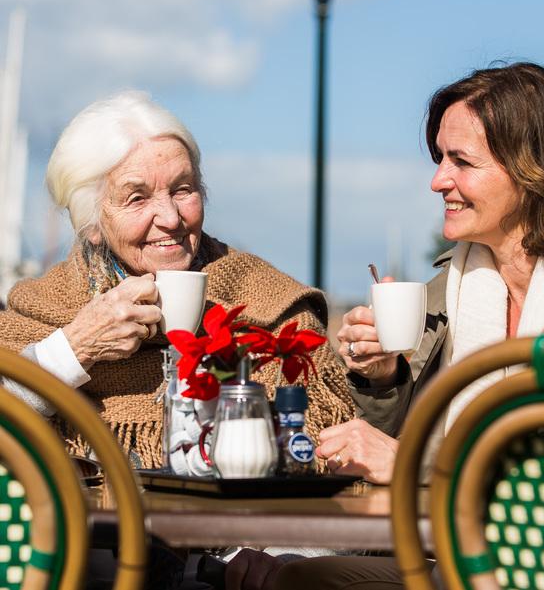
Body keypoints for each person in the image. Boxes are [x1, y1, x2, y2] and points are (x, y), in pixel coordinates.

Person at [274, 62, 544, 589]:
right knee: (300, 579)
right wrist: (382, 376)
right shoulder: (450, 287)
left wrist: (418, 465)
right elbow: (387, 443)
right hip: (448, 546)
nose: (438, 179)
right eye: (440, 158)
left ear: (534, 170)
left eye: (461, 161)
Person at [0, 91, 356, 588]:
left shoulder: (264, 297)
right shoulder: (46, 306)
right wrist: (75, 347)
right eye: (137, 197)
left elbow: (329, 460)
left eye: (184, 189)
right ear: (92, 223)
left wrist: (282, 556)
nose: (170, 217)